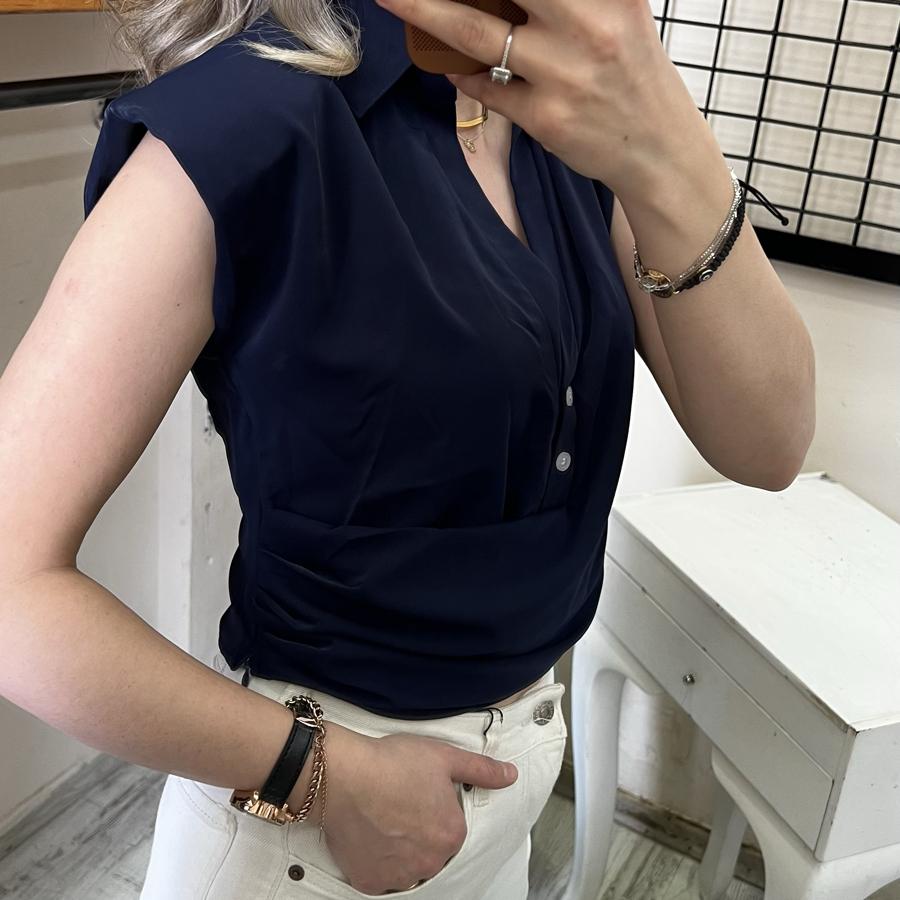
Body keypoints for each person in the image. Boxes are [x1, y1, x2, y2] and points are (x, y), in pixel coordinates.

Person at [0, 0, 814, 897]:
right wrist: (324, 773)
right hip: (316, 825)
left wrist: (669, 143)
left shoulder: (569, 124)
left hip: (513, 781)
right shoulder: (248, 119)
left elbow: (767, 444)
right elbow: (10, 584)